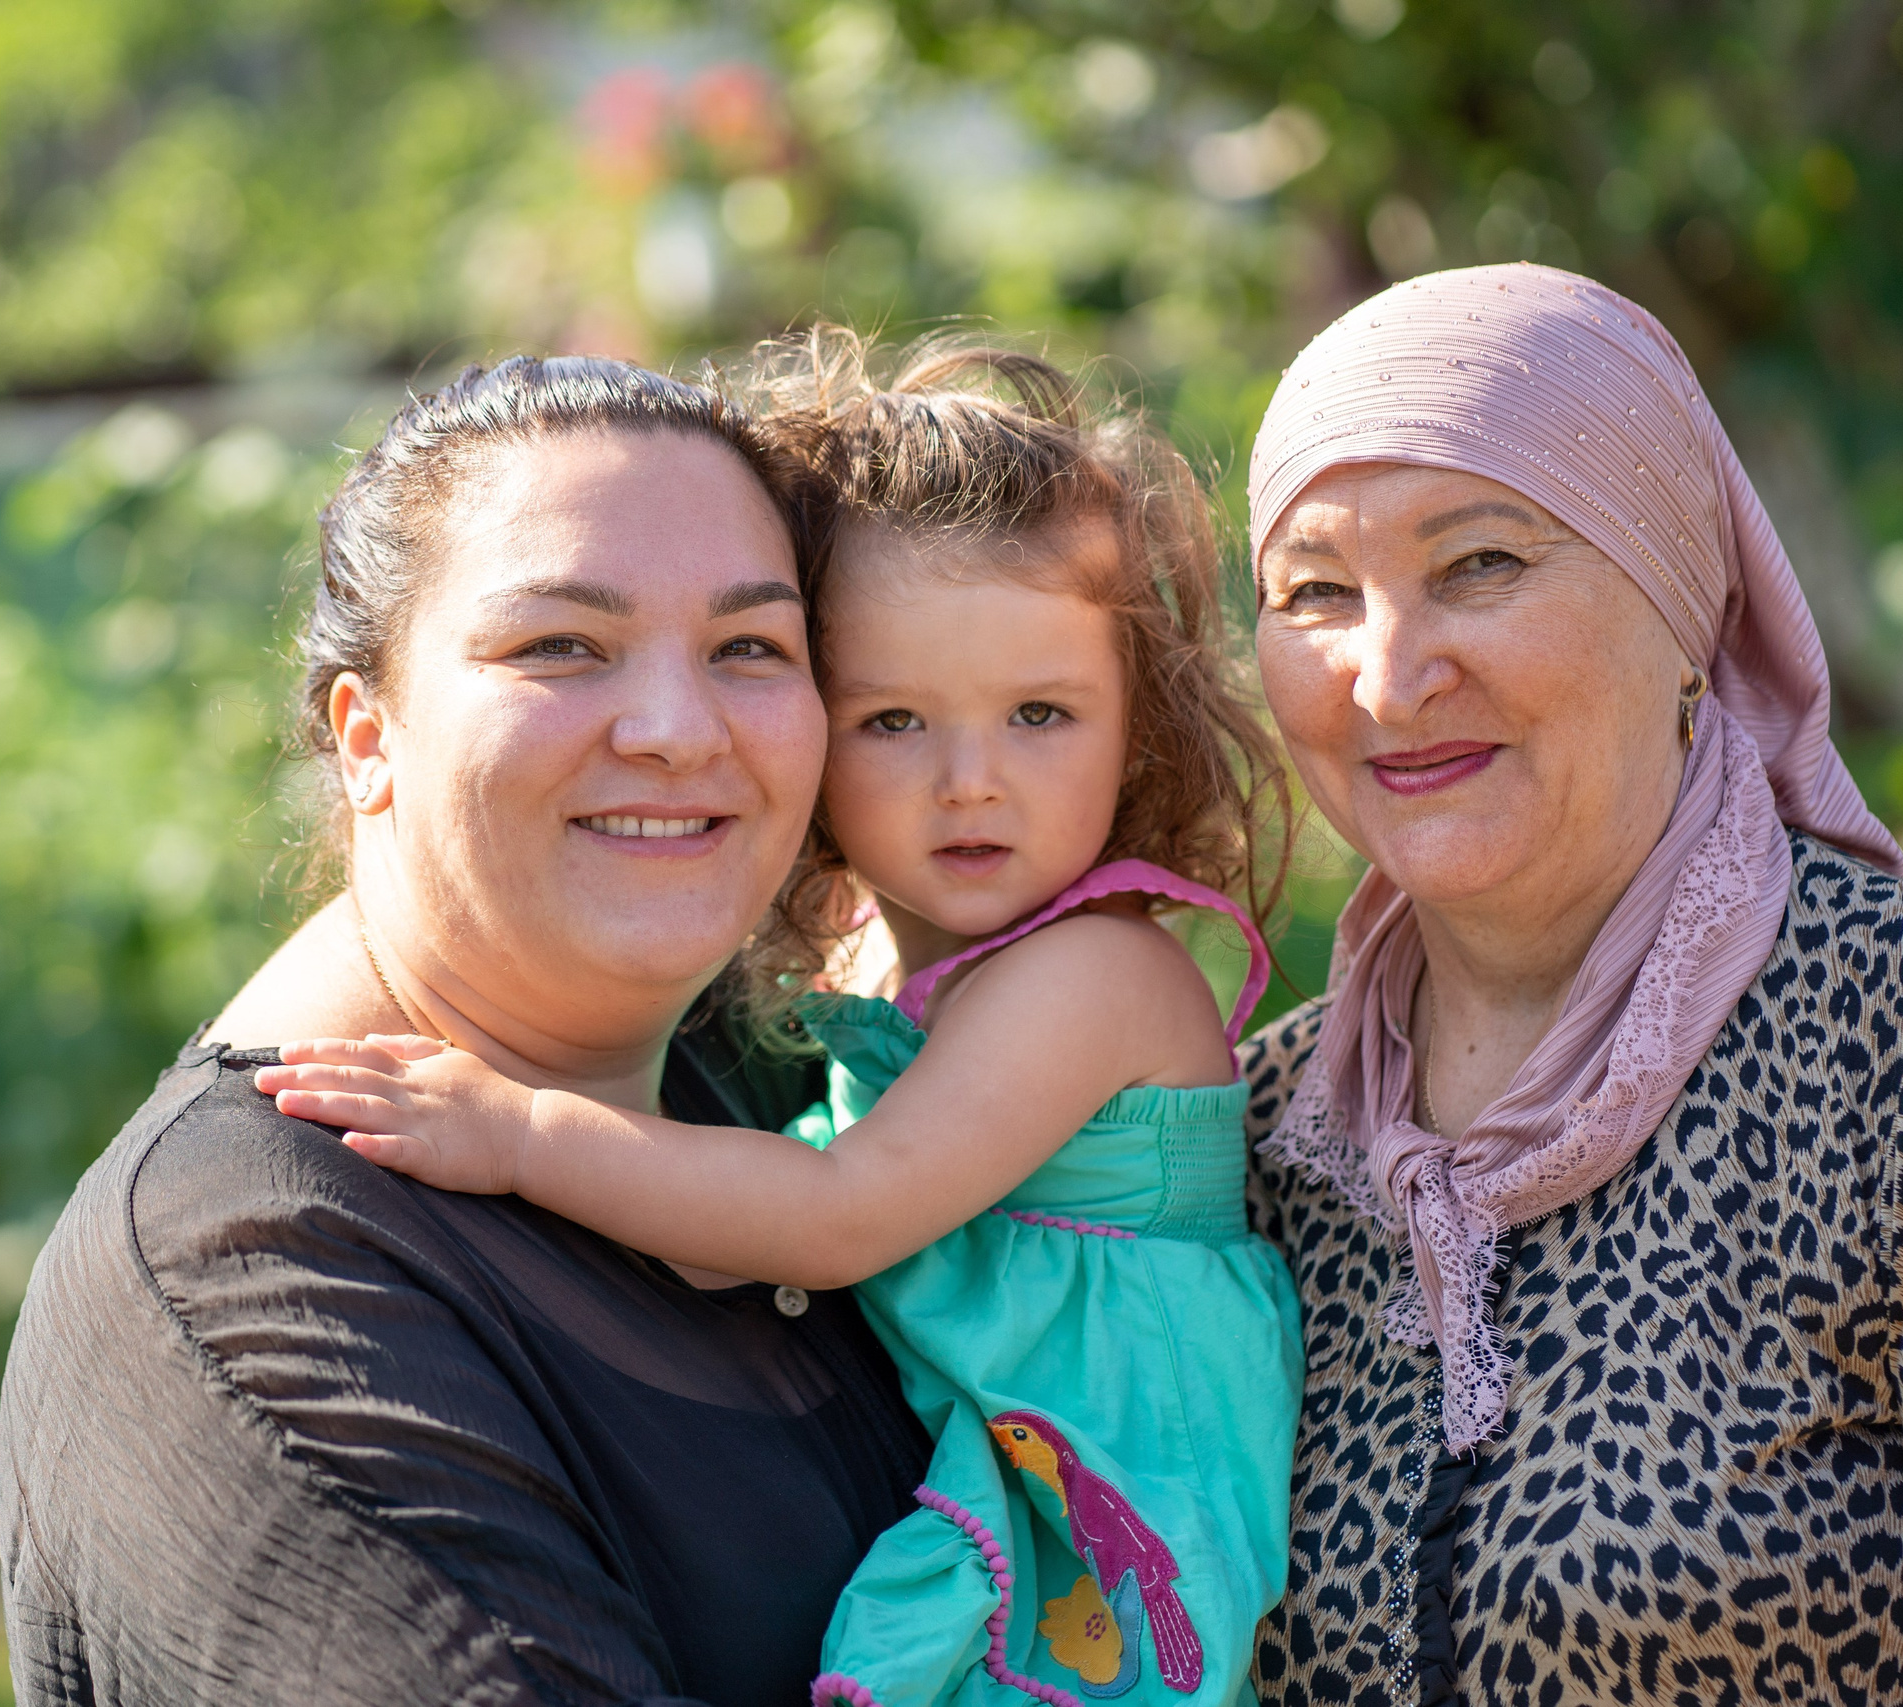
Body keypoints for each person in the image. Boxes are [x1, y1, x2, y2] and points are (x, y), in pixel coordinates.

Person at [260, 337, 1306, 1707]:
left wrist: (518, 1128)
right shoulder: (885, 965)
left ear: (1139, 728)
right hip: (1008, 1456)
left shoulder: (1095, 976)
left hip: (1116, 1498)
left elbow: (839, 1214)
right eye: (893, 721)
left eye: (1042, 713)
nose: (970, 782)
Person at [0, 355, 939, 1707]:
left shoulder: (783, 1077)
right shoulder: (261, 1285)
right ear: (366, 735)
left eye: (750, 648)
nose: (679, 730)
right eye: (560, 644)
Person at [1239, 264, 1903, 1705]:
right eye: (1315, 593)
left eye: (1481, 565)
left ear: (1680, 600)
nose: (1387, 681)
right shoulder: (1266, 1131)